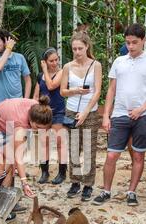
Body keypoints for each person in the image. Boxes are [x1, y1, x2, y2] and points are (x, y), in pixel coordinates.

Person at [93, 23, 146, 206]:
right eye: (128, 42)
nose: (130, 46)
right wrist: (106, 115)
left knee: (139, 156)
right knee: (111, 155)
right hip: (119, 115)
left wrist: (141, 109)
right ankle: (106, 190)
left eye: (134, 42)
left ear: (143, 41)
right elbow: (111, 90)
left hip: (143, 115)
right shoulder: (119, 61)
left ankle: (131, 192)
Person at [60, 30, 102, 201]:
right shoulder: (68, 66)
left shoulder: (95, 65)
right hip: (71, 111)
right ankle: (75, 181)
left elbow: (97, 91)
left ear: (87, 47)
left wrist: (85, 112)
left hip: (90, 112)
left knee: (89, 150)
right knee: (74, 149)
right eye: (74, 49)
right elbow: (63, 91)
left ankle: (88, 184)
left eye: (80, 48)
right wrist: (74, 91)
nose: (77, 52)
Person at [0, 96, 53, 198]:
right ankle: (3, 197)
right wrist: (24, 182)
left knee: (12, 161)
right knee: (9, 162)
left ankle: (8, 195)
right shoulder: (20, 124)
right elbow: (19, 157)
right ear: (31, 121)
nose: (40, 131)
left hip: (9, 119)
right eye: (38, 128)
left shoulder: (39, 108)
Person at [33, 47, 67, 184]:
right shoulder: (40, 75)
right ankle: (44, 172)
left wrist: (45, 71)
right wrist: (35, 114)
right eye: (51, 61)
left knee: (60, 143)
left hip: (58, 111)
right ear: (45, 62)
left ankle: (62, 173)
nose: (55, 63)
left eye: (56, 60)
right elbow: (36, 95)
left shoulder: (62, 72)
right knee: (43, 143)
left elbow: (52, 85)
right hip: (43, 113)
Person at [0, 29, 31, 106]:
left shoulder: (20, 57)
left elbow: (28, 80)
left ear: (6, 41)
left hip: (17, 104)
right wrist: (8, 48)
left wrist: (25, 101)